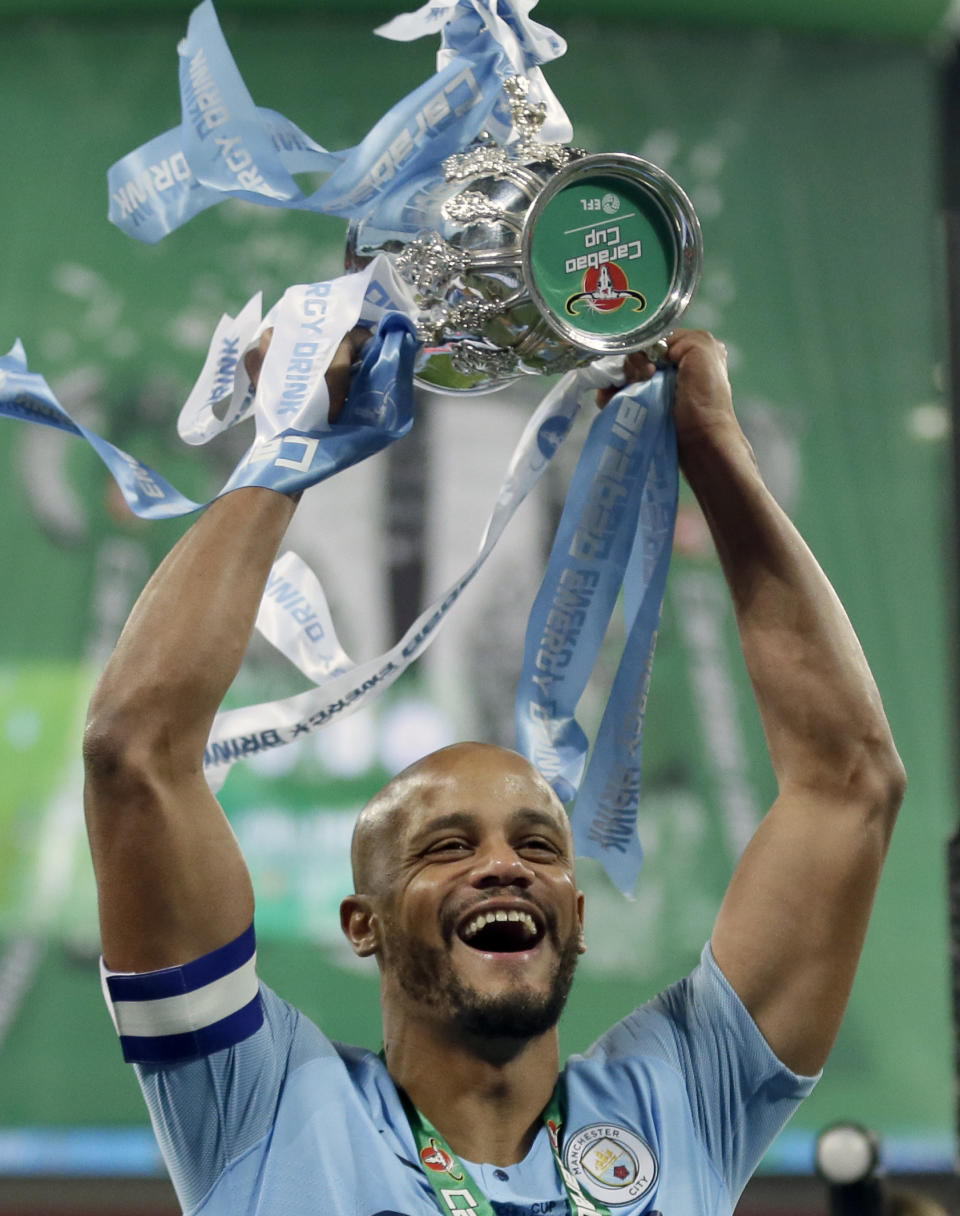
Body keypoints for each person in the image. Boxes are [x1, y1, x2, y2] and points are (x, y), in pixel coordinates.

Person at [83, 329, 905, 1216]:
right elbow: (136, 754)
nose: (504, 864)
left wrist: (714, 449)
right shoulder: (262, 1106)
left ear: (577, 917)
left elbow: (847, 784)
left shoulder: (682, 1103)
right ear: (364, 924)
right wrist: (294, 438)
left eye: (540, 844)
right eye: (445, 845)